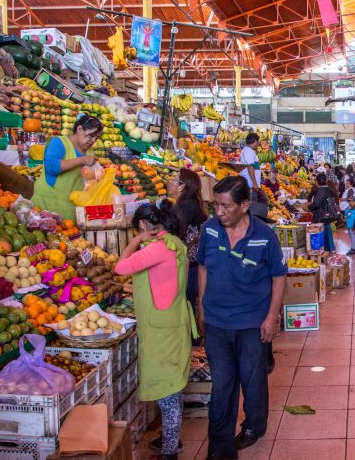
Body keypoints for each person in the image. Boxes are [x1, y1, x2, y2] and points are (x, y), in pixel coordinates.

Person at [196, 176, 287, 460]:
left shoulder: (264, 235)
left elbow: (279, 275)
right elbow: (203, 267)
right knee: (222, 384)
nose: (219, 212)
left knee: (252, 379)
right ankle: (220, 448)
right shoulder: (210, 230)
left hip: (251, 322)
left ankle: (254, 426)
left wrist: (271, 316)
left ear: (245, 205)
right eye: (215, 206)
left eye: (225, 206)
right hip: (217, 322)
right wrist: (202, 305)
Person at [114, 202, 197, 459]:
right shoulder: (174, 242)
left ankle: (170, 450)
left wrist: (137, 239)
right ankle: (171, 440)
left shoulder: (157, 248)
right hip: (172, 321)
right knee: (172, 387)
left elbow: (120, 267)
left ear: (142, 225)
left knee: (168, 389)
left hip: (163, 329)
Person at [32, 115, 103, 220]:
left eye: (96, 138)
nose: (93, 141)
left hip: (70, 215)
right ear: (79, 129)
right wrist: (83, 160)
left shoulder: (89, 152)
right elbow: (51, 167)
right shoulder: (59, 143)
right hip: (46, 211)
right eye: (90, 135)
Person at [171, 168, 208, 313]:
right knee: (190, 301)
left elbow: (177, 234)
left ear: (182, 186)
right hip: (194, 263)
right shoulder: (191, 203)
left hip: (188, 264)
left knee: (186, 303)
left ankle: (190, 335)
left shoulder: (184, 206)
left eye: (174, 179)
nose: (170, 181)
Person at [308, 173, 339, 252]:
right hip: (328, 216)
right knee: (328, 233)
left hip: (320, 217)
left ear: (317, 182)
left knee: (321, 235)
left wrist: (308, 207)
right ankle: (330, 249)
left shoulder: (320, 191)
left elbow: (317, 204)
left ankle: (321, 252)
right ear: (327, 180)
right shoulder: (330, 190)